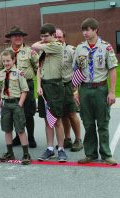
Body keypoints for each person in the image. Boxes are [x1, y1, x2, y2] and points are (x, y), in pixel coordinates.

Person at [73, 18, 118, 165]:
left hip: (101, 89)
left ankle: (106, 154)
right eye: (83, 30)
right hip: (85, 89)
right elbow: (76, 70)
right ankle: (90, 154)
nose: (85, 33)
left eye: (88, 30)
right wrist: (76, 91)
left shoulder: (106, 47)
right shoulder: (79, 48)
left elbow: (112, 70)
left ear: (95, 30)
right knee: (88, 123)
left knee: (103, 123)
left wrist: (111, 92)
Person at [32, 23, 67, 162]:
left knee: (57, 120)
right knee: (47, 121)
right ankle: (50, 148)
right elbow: (39, 69)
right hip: (44, 86)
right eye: (42, 36)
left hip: (55, 86)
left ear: (54, 35)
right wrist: (38, 86)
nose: (44, 38)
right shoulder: (44, 50)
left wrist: (42, 41)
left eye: (46, 36)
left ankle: (61, 149)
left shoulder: (56, 46)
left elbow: (34, 45)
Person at [0, 27, 39, 148]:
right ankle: (17, 137)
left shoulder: (29, 51)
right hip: (11, 86)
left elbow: (38, 67)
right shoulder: (4, 53)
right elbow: (0, 69)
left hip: (27, 85)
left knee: (28, 113)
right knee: (14, 113)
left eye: (20, 36)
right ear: (10, 38)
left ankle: (30, 137)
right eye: (15, 36)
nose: (18, 38)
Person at [0, 50, 32, 165]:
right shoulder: (1, 74)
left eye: (8, 61)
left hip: (16, 103)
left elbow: (25, 90)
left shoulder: (19, 73)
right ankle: (9, 152)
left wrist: (20, 104)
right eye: (4, 61)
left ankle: (26, 153)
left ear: (13, 60)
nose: (6, 63)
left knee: (20, 129)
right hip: (5, 104)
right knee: (7, 129)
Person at [55, 28, 83, 152]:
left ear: (64, 38)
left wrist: (76, 90)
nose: (57, 39)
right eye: (55, 37)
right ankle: (67, 139)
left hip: (69, 85)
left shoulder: (71, 50)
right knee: (63, 115)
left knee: (72, 114)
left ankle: (78, 139)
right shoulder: (50, 51)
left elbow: (79, 69)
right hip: (56, 87)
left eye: (59, 37)